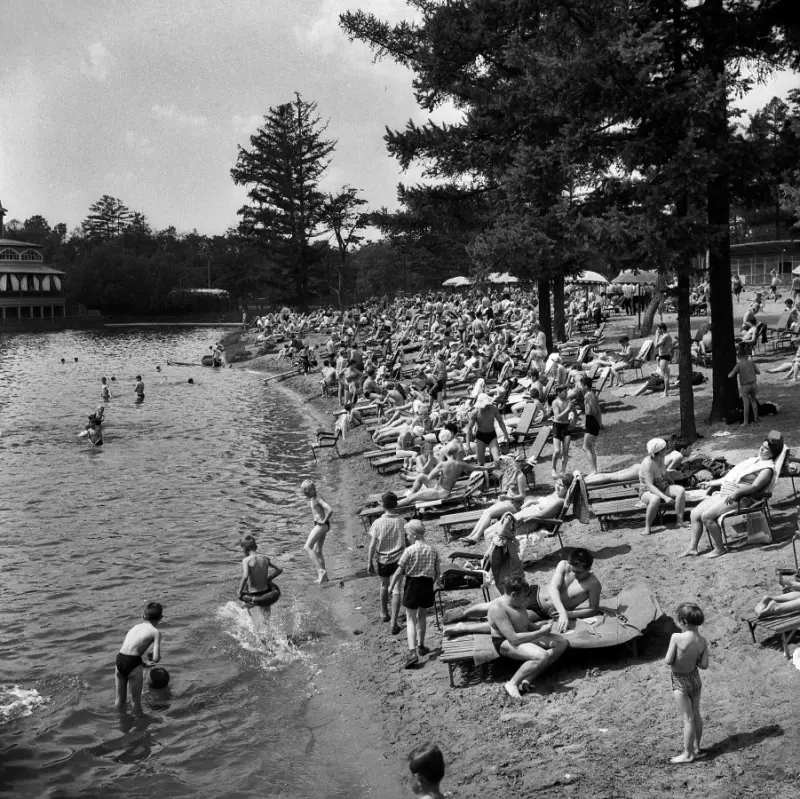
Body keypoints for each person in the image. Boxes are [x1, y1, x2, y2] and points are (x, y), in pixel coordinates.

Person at [445, 547, 600, 634]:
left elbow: (593, 609)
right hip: (533, 594)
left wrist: (570, 614)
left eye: (579, 572)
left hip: (543, 612)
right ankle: (463, 615)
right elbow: (553, 588)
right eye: (573, 570)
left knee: (512, 623)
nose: (575, 573)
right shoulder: (564, 565)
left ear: (588, 568)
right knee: (494, 605)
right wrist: (564, 612)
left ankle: (464, 628)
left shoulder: (593, 584)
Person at [682, 437, 783, 558]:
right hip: (725, 493)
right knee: (694, 514)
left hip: (741, 498)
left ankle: (719, 549)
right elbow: (729, 477)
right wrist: (711, 483)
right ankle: (692, 548)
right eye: (762, 445)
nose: (762, 449)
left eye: (766, 449)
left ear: (773, 453)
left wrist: (738, 492)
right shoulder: (753, 461)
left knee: (707, 516)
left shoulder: (766, 469)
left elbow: (755, 487)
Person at [486, 575, 569, 699]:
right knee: (541, 655)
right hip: (505, 642)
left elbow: (524, 622)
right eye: (524, 595)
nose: (526, 599)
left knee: (562, 642)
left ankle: (528, 678)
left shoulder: (517, 602)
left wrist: (540, 629)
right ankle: (512, 683)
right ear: (513, 594)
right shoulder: (497, 609)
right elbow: (513, 638)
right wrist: (540, 633)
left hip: (523, 635)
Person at [389, 520, 440, 668]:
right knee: (422, 616)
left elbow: (399, 571)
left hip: (412, 584)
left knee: (410, 619)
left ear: (414, 535)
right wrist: (432, 582)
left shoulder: (409, 550)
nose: (407, 537)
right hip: (427, 585)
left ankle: (412, 653)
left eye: (407, 535)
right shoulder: (433, 550)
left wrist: (392, 586)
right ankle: (421, 645)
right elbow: (437, 572)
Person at [664, 603, 709, 764]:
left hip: (680, 681)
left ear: (683, 621)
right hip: (695, 679)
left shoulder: (676, 637)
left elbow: (668, 660)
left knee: (687, 718)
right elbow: (704, 665)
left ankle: (687, 754)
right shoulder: (702, 641)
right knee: (696, 714)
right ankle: (697, 748)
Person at [366, 491, 407, 633]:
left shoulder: (377, 523)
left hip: (383, 560)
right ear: (396, 504)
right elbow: (407, 541)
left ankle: (384, 613)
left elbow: (372, 544)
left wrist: (369, 561)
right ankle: (394, 622)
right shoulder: (402, 521)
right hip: (399, 560)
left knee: (384, 585)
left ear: (382, 505)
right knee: (397, 589)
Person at [115, 602, 164, 713]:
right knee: (135, 704)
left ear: (143, 616)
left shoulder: (134, 628)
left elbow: (129, 650)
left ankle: (120, 725)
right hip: (132, 663)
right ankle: (139, 729)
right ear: (160, 618)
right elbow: (156, 658)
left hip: (119, 659)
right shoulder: (155, 632)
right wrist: (153, 657)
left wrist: (143, 663)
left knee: (119, 701)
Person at [639, 438, 687, 535]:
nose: (667, 450)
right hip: (647, 491)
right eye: (665, 448)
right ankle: (647, 527)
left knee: (680, 490)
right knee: (655, 499)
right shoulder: (648, 463)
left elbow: (663, 472)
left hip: (663, 486)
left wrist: (668, 477)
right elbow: (649, 485)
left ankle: (680, 520)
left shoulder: (662, 458)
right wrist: (665, 497)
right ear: (659, 451)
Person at [238, 535, 282, 611]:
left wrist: (239, 591)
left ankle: (249, 617)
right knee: (266, 614)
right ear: (256, 547)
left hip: (254, 594)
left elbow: (245, 577)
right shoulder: (265, 558)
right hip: (266, 592)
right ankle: (266, 621)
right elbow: (279, 569)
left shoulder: (246, 560)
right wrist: (269, 578)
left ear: (245, 549)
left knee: (243, 609)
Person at [301, 479, 333, 584]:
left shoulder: (318, 498)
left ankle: (321, 571)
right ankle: (325, 577)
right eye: (304, 494)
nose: (305, 495)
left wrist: (324, 521)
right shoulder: (314, 496)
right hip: (321, 525)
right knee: (318, 551)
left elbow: (330, 509)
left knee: (307, 547)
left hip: (322, 525)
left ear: (312, 489)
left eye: (306, 493)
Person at [465, 392, 509, 468]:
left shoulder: (493, 409)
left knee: (497, 460)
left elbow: (500, 422)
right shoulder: (475, 412)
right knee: (480, 463)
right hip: (480, 437)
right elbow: (469, 428)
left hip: (492, 436)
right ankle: (485, 477)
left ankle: (498, 476)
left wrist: (506, 434)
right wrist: (468, 444)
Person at [728, 342, 760, 426]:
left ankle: (745, 422)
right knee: (753, 401)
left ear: (738, 357)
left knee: (746, 404)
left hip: (745, 386)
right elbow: (758, 372)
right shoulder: (751, 363)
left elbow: (730, 375)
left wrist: (729, 374)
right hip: (753, 384)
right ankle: (756, 418)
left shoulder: (738, 365)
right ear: (746, 355)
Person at [550, 384, 575, 478]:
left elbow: (573, 412)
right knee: (557, 450)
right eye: (564, 392)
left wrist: (573, 418)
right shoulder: (555, 402)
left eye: (566, 391)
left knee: (565, 450)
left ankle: (563, 471)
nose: (566, 393)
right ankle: (553, 468)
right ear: (558, 393)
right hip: (557, 426)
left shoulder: (568, 401)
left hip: (566, 425)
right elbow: (557, 416)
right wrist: (568, 409)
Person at [582, 376, 601, 474]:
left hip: (592, 421)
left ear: (585, 386)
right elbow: (598, 409)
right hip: (591, 421)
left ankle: (594, 470)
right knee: (591, 447)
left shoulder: (588, 395)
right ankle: (595, 470)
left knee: (585, 447)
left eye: (581, 385)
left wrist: (599, 423)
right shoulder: (592, 394)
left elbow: (595, 410)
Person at [654, 323, 673, 397]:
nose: (658, 330)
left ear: (662, 329)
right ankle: (666, 390)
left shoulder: (665, 336)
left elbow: (656, 345)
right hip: (664, 356)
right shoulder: (667, 336)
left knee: (665, 375)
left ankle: (666, 393)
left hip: (664, 357)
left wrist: (656, 336)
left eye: (658, 329)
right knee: (665, 374)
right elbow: (671, 347)